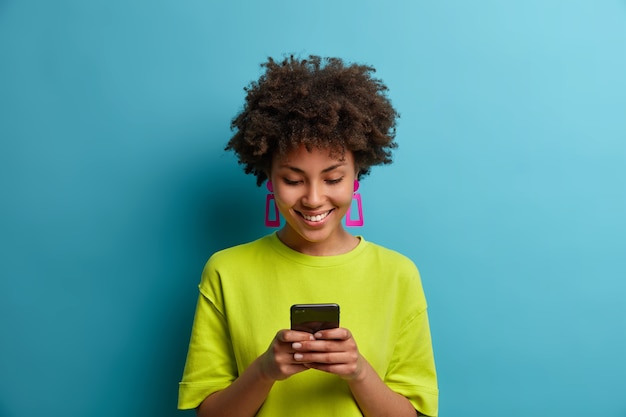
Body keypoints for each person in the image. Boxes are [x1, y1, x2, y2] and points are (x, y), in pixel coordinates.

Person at [178, 55, 438, 417]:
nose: (314, 198)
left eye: (333, 179)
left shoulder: (398, 274)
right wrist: (264, 371)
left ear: (357, 175)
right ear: (269, 177)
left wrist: (358, 372)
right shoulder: (226, 271)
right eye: (293, 179)